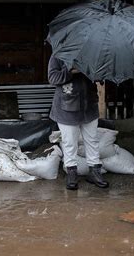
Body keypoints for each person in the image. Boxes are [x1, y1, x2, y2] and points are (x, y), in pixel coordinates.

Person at [48, 56, 109, 190]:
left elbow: (101, 77)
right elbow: (53, 78)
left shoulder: (91, 53)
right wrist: (71, 71)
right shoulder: (58, 55)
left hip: (89, 105)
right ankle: (71, 172)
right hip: (67, 107)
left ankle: (94, 171)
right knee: (69, 142)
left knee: (92, 140)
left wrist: (95, 72)